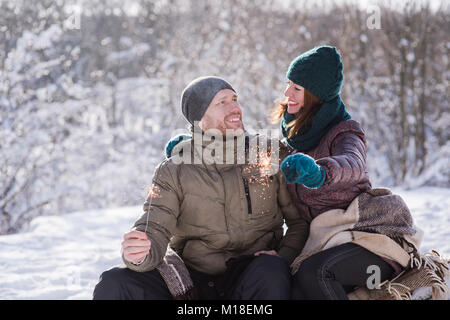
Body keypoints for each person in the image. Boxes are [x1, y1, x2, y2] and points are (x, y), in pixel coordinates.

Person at [93, 76, 309, 300]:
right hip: (193, 283)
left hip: (252, 274)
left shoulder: (268, 154)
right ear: (200, 117)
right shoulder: (174, 169)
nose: (235, 107)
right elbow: (154, 226)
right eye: (222, 102)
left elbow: (299, 222)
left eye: (234, 99)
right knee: (115, 283)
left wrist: (283, 256)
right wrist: (139, 253)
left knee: (271, 271)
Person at [273, 45, 418, 300]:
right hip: (326, 238)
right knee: (292, 289)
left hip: (368, 234)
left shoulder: (345, 130)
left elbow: (351, 163)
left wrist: (320, 173)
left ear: (316, 95)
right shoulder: (293, 140)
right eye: (288, 84)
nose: (287, 93)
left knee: (316, 273)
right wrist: (190, 145)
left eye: (296, 88)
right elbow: (252, 152)